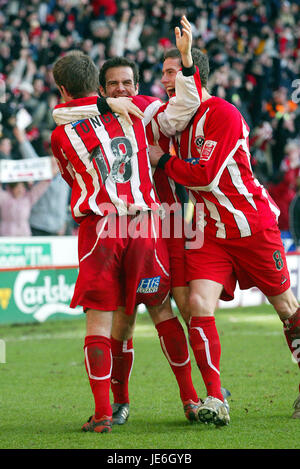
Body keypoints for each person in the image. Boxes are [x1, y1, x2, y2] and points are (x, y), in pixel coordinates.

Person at [50, 17, 203, 434]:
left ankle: (103, 414)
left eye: (128, 83)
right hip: (145, 228)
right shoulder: (135, 116)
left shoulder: (60, 134)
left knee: (100, 323)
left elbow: (70, 173)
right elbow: (184, 106)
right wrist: (187, 61)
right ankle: (190, 399)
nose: (123, 90)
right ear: (98, 87)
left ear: (63, 90)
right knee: (161, 311)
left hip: (101, 230)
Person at [151, 47, 300, 425]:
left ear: (191, 77)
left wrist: (163, 160)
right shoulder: (173, 120)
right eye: (163, 73)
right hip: (209, 233)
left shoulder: (223, 113)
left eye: (172, 73)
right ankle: (216, 398)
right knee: (200, 306)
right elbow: (131, 107)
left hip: (252, 226)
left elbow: (205, 175)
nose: (165, 81)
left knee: (285, 307)